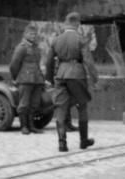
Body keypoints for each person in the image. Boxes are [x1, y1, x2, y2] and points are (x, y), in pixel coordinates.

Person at [45, 12, 98, 152]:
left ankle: (62, 143)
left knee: (61, 108)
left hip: (60, 75)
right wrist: (95, 78)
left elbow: (48, 61)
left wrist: (49, 79)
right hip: (77, 74)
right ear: (77, 23)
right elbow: (88, 61)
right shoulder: (80, 40)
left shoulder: (56, 40)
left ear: (66, 23)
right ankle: (83, 140)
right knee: (82, 106)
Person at [10, 23, 46, 135]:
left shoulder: (36, 48)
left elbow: (38, 63)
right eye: (31, 34)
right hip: (25, 79)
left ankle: (32, 126)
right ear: (25, 34)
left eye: (35, 34)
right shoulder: (21, 48)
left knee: (34, 104)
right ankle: (24, 126)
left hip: (37, 79)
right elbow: (14, 65)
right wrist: (17, 77)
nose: (33, 36)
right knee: (24, 104)